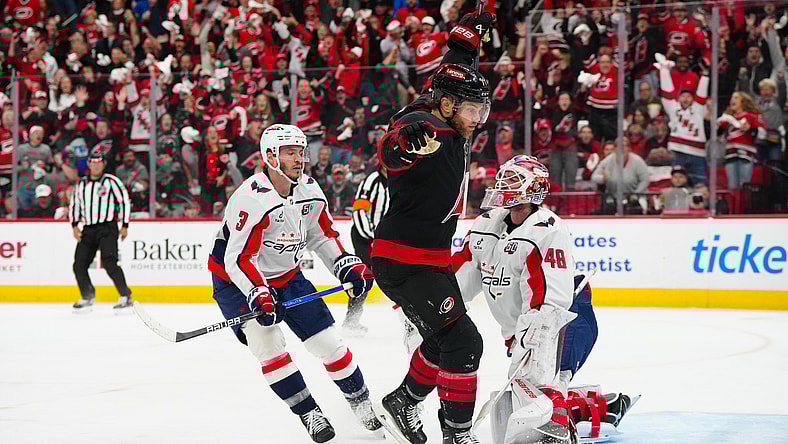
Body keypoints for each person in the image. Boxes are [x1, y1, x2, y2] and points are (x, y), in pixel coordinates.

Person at [206, 124, 382, 443]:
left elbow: (322, 235)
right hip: (237, 283)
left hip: (287, 276)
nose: (299, 158)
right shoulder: (250, 199)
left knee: (330, 344)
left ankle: (361, 404)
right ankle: (308, 412)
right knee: (269, 346)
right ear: (271, 156)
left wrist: (345, 266)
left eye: (301, 151)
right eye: (290, 152)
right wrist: (259, 293)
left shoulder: (310, 191)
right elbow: (239, 259)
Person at [371, 11, 495, 444]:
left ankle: (403, 400)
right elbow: (392, 149)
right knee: (464, 342)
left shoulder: (447, 99)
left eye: (482, 108)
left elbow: (455, 70)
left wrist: (467, 37)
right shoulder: (427, 128)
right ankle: (457, 435)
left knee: (444, 341)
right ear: (446, 106)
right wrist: (405, 146)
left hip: (429, 260)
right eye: (473, 109)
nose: (478, 117)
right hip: (405, 263)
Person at [453, 156, 638, 443]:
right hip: (523, 326)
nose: (503, 184)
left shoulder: (548, 228)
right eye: (503, 178)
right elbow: (461, 277)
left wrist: (533, 336)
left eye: (513, 180)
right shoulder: (486, 224)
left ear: (534, 188)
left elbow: (551, 300)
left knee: (540, 387)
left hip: (565, 320)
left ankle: (560, 431)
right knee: (531, 392)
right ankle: (603, 407)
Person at [68, 152, 132, 313]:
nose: (96, 165)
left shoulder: (111, 181)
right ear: (88, 164)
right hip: (88, 228)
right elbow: (75, 204)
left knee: (109, 262)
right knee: (79, 264)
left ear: (103, 164)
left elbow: (124, 201)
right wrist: (74, 225)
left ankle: (125, 295)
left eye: (99, 162)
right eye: (93, 162)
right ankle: (87, 295)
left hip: (107, 227)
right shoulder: (81, 184)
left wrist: (125, 224)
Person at [346, 164, 389, 335]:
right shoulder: (373, 180)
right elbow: (359, 211)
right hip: (364, 236)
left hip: (382, 237)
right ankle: (351, 321)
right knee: (363, 276)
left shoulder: (396, 180)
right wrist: (370, 236)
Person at [656, 54, 710, 185]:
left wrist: (705, 75)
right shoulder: (673, 108)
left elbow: (702, 94)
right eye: (683, 96)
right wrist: (664, 69)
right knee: (676, 183)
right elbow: (667, 92)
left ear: (693, 99)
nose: (686, 99)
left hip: (697, 153)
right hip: (677, 151)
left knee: (700, 184)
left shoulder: (699, 109)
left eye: (689, 96)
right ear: (679, 98)